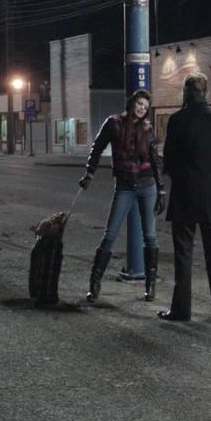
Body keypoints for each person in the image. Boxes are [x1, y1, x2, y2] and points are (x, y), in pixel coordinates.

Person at [79, 89, 166, 303]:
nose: (142, 109)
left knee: (150, 236)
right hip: (125, 186)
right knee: (110, 233)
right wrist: (90, 172)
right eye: (139, 104)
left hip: (147, 185)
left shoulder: (147, 128)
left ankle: (150, 286)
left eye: (145, 107)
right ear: (132, 102)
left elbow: (155, 158)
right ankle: (95, 284)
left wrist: (161, 189)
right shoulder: (114, 123)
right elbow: (97, 148)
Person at [157, 73, 211, 322]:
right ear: (205, 92)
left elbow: (169, 159)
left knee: (184, 255)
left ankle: (181, 309)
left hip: (185, 194)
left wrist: (179, 175)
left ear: (187, 92)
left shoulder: (177, 120)